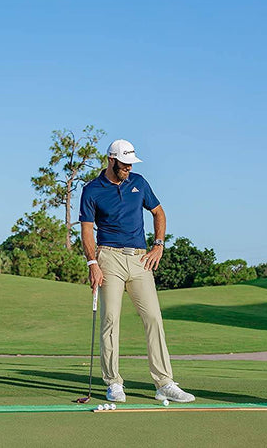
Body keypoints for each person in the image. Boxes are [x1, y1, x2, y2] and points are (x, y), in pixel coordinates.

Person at [79, 139, 195, 404]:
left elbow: (158, 212)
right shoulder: (92, 190)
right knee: (110, 320)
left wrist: (159, 245)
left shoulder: (139, 183)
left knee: (153, 317)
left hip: (141, 259)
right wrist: (92, 263)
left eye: (131, 164)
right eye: (124, 164)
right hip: (108, 257)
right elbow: (86, 229)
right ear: (111, 160)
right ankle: (113, 383)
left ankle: (164, 383)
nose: (128, 168)